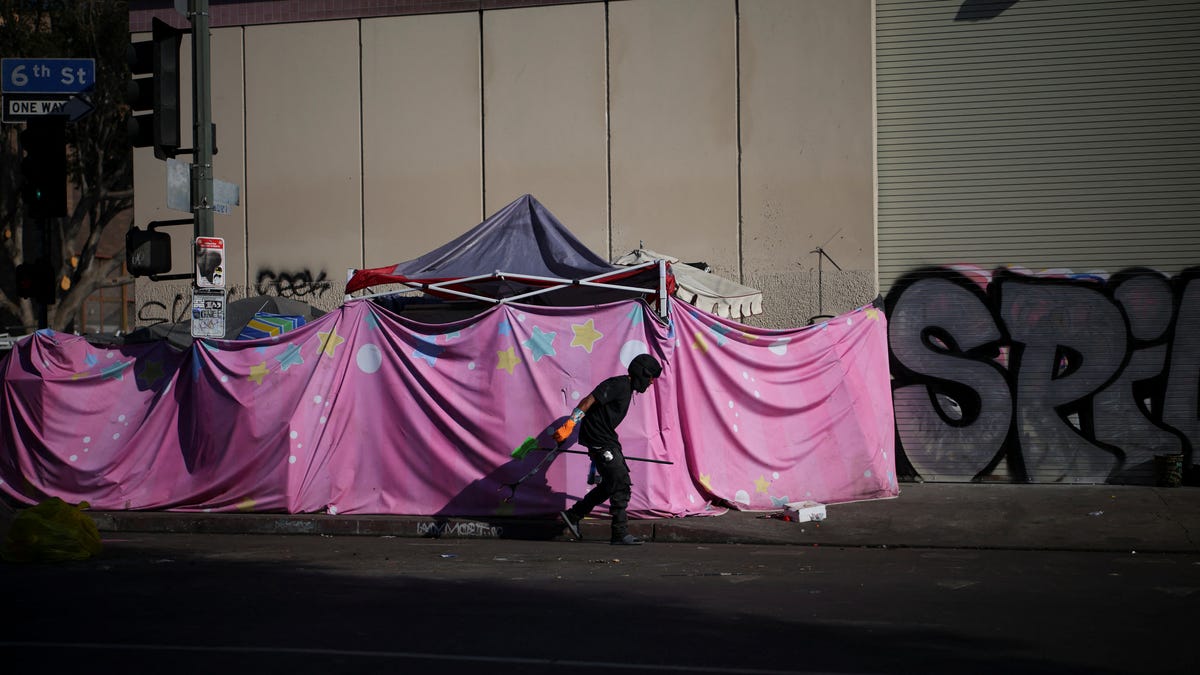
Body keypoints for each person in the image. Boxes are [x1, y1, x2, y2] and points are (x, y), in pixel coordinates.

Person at [554, 353, 663, 546]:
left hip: (606, 439)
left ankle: (573, 515)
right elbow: (589, 399)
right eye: (650, 377)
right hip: (599, 440)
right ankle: (619, 533)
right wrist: (571, 422)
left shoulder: (627, 389)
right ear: (641, 374)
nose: (651, 382)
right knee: (620, 483)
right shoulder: (619, 384)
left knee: (610, 484)